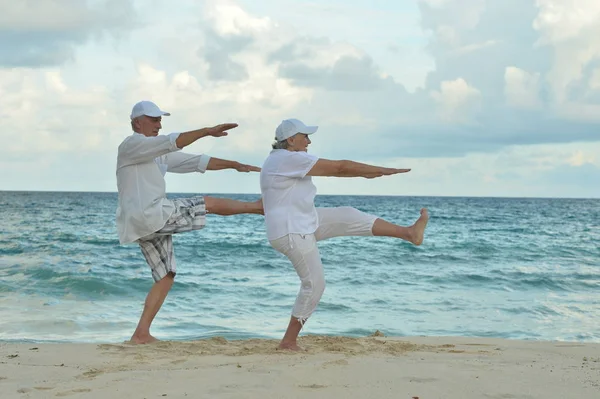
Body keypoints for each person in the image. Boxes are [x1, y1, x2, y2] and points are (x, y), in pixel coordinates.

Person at [259, 118, 429, 351]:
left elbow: (338, 170)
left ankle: (408, 233)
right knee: (315, 284)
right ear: (291, 140)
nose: (308, 141)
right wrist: (378, 171)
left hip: (302, 221)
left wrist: (365, 174)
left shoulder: (282, 160)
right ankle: (288, 342)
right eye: (305, 136)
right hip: (292, 231)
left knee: (347, 215)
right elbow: (339, 168)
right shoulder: (288, 159)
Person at [116, 100, 263, 344]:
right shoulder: (132, 145)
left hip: (142, 223)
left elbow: (196, 162)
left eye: (160, 119)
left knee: (167, 275)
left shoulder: (156, 154)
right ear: (136, 123)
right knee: (207, 203)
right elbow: (173, 140)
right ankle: (259, 208)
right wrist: (207, 131)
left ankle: (141, 334)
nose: (158, 124)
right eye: (153, 120)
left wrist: (234, 165)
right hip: (151, 215)